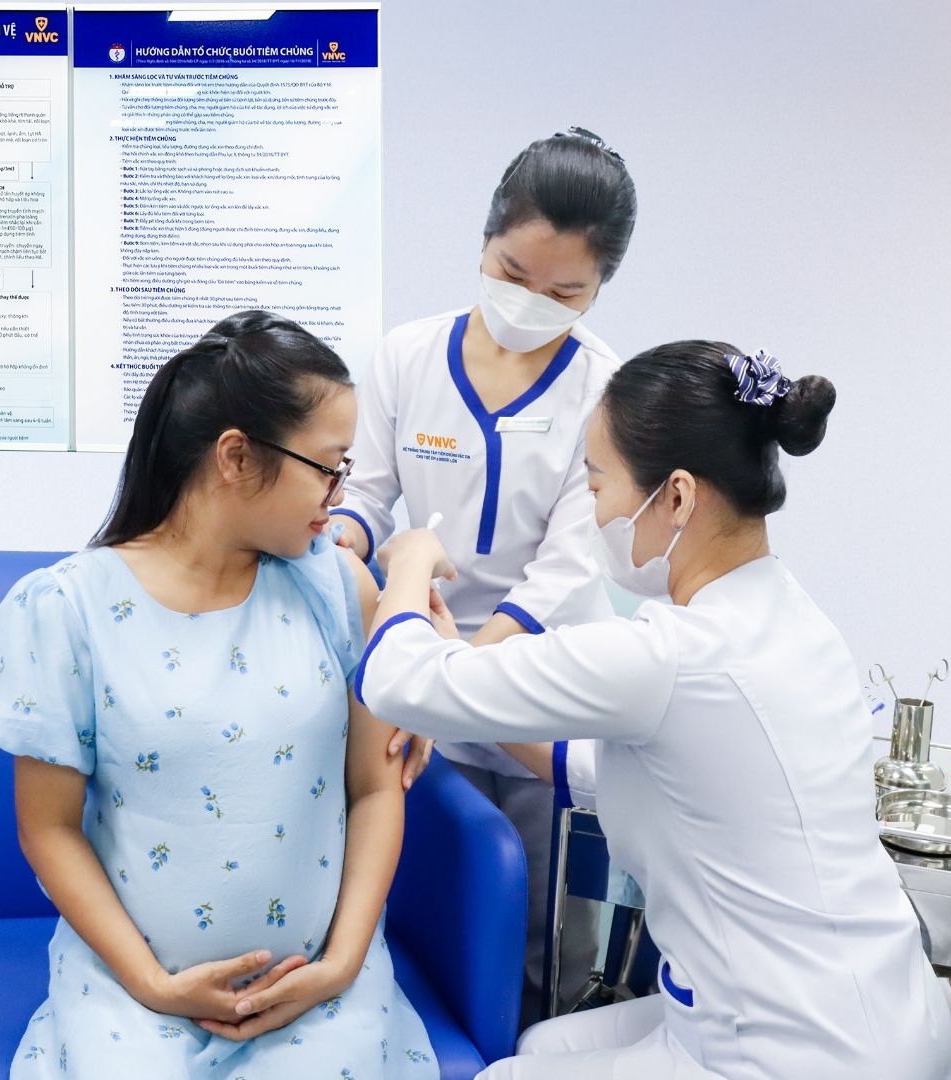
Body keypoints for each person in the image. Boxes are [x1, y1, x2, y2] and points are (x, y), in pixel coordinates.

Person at [354, 341, 951, 1079]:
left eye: (596, 485)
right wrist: (464, 672)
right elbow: (633, 769)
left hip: (796, 1052)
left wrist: (411, 559)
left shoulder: (669, 655)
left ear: (675, 496)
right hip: (884, 1010)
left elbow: (394, 680)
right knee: (542, 1047)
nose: (594, 511)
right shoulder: (789, 616)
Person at [0, 312, 437, 1079]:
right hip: (134, 989)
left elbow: (375, 788)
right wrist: (152, 984)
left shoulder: (338, 587)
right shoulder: (67, 608)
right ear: (235, 456)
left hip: (319, 985)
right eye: (326, 467)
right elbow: (49, 829)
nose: (338, 496)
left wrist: (341, 964)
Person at [331, 127, 637, 1015]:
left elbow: (568, 562)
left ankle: (535, 1049)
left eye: (564, 292)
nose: (531, 302)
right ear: (483, 241)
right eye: (512, 272)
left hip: (538, 680)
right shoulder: (407, 356)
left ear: (599, 286)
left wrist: (461, 671)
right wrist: (337, 549)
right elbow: (366, 496)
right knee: (429, 902)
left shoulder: (604, 390)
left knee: (543, 928)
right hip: (418, 666)